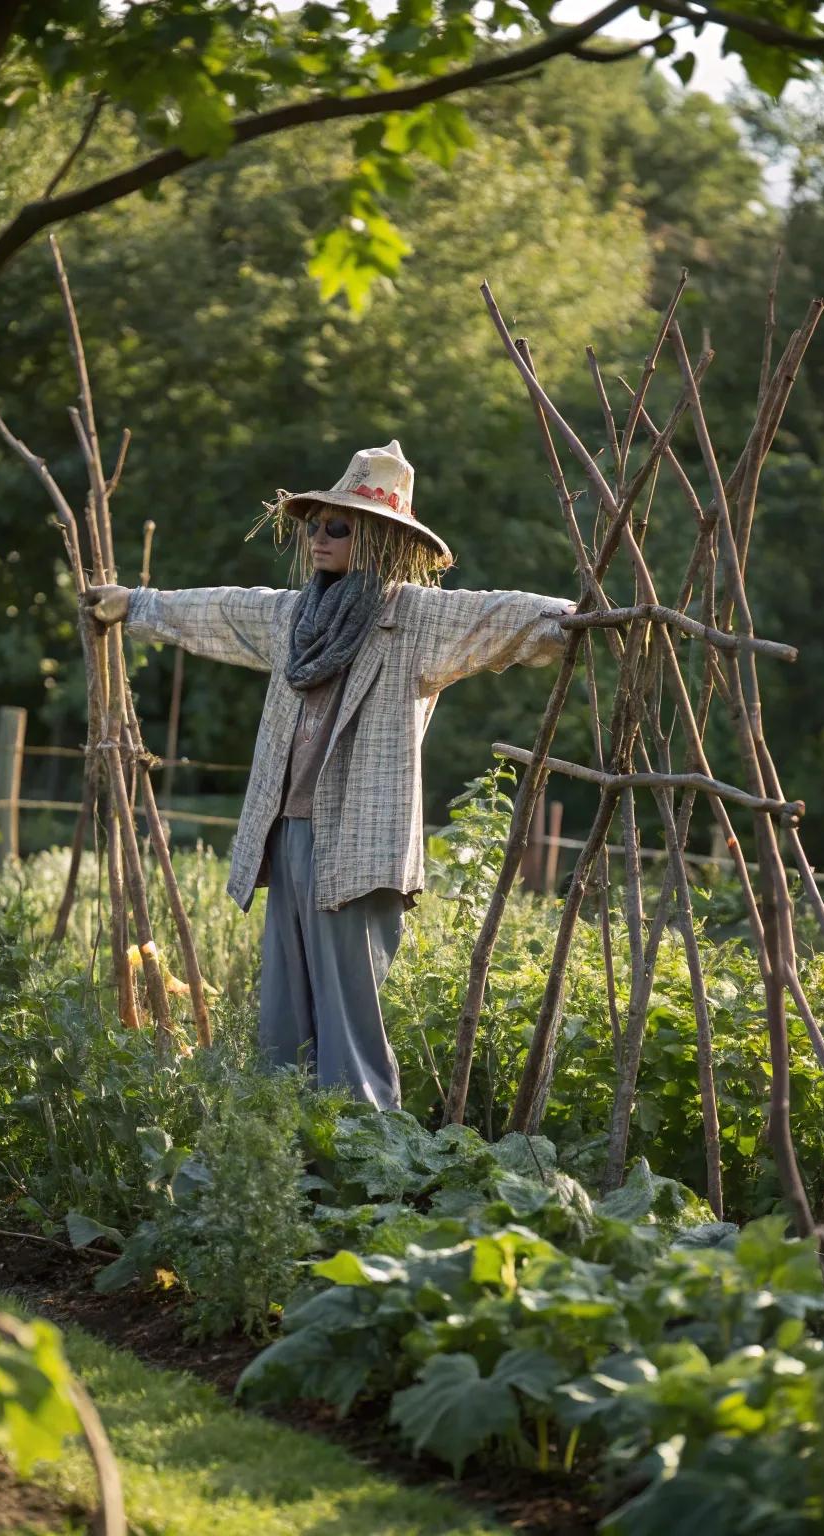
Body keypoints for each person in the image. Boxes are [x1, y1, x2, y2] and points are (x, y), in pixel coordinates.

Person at [85, 439, 575, 1110]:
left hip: (359, 842)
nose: (318, 536)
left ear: (375, 537)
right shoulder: (299, 618)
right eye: (314, 524)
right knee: (284, 1012)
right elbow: (220, 609)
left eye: (337, 527)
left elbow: (501, 613)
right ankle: (288, 1148)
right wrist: (134, 605)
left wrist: (566, 623)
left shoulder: (415, 619)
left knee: (349, 1021)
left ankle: (367, 1156)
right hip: (287, 833)